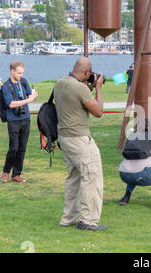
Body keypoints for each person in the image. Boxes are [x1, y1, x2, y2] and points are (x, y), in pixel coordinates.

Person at [54, 57, 107, 231]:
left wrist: (88, 87)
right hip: (79, 139)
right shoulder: (80, 89)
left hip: (64, 137)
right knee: (92, 177)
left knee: (74, 177)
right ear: (86, 72)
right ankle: (88, 220)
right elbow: (98, 111)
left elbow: (75, 101)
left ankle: (68, 217)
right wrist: (97, 88)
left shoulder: (61, 83)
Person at [0, 61, 38, 183]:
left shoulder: (23, 82)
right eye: (19, 73)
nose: (21, 75)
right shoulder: (6, 86)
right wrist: (28, 100)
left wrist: (33, 95)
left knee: (22, 148)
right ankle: (5, 173)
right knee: (13, 148)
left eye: (22, 73)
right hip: (13, 121)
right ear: (12, 71)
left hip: (25, 119)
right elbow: (11, 104)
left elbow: (29, 95)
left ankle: (16, 175)